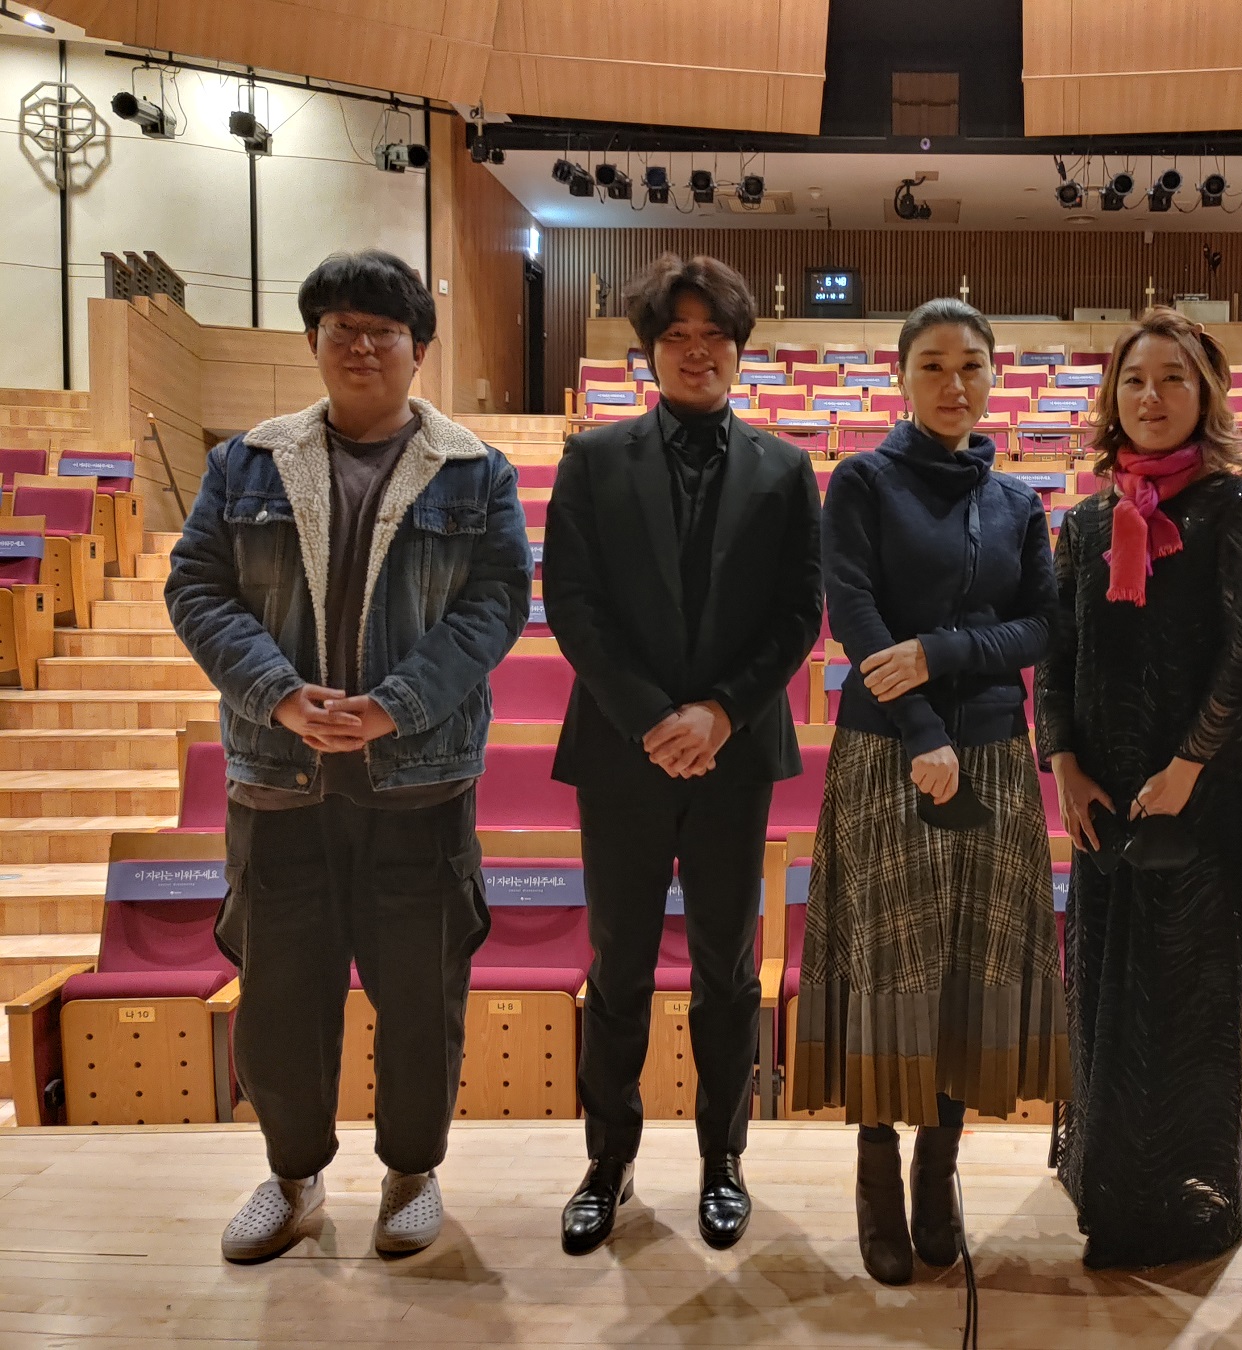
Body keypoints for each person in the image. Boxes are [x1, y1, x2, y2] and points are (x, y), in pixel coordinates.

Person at [166, 249, 533, 1263]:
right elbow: (196, 588)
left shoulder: (474, 471)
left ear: (420, 348)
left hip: (419, 783)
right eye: (343, 329)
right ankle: (293, 1178)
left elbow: (496, 605)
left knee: (420, 994)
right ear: (314, 342)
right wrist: (280, 696)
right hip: (279, 781)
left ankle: (412, 1172)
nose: (363, 347)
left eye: (384, 331)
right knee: (281, 997)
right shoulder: (246, 463)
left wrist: (394, 708)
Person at [543, 254, 821, 1256]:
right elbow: (572, 604)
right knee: (618, 966)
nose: (696, 352)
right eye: (677, 337)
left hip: (732, 756)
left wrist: (719, 715)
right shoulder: (592, 459)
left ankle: (723, 1158)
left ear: (740, 352)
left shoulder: (785, 469)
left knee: (727, 971)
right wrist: (655, 719)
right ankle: (607, 1163)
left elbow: (798, 613)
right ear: (648, 353)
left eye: (714, 337)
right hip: (623, 754)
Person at [790, 298, 1065, 1286]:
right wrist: (922, 728)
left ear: (994, 377)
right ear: (902, 376)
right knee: (889, 959)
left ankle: (937, 1174)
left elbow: (1042, 626)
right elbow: (854, 609)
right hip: (888, 752)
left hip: (992, 751)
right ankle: (876, 1179)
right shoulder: (863, 481)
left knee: (961, 964)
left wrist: (945, 653)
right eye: (935, 365)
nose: (955, 383)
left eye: (972, 365)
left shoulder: (1018, 502)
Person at [1034, 306, 1242, 1270]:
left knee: (1184, 992)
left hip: (1199, 795)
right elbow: (1057, 654)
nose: (1152, 396)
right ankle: (1104, 1175)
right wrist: (1065, 764)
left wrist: (1189, 767)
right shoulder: (1087, 522)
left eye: (1173, 378)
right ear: (1111, 398)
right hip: (1102, 793)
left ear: (1205, 394)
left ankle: (1179, 1198)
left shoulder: (1236, 508)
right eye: (1134, 379)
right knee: (1102, 979)